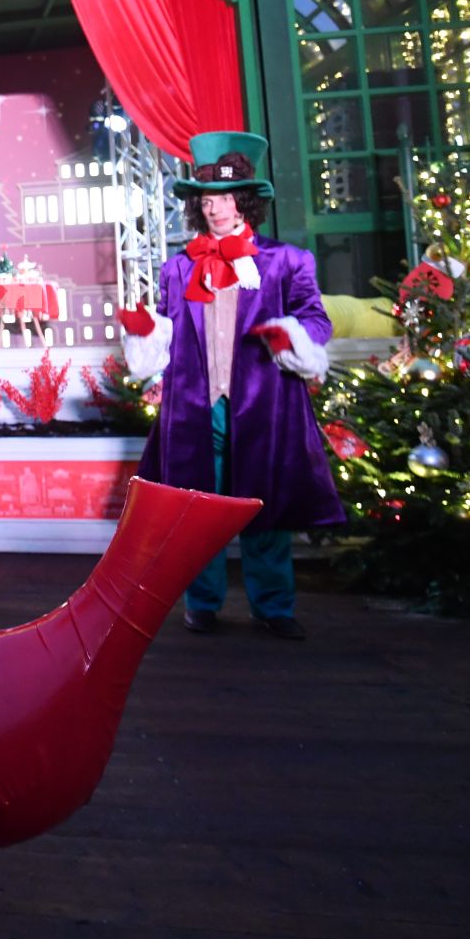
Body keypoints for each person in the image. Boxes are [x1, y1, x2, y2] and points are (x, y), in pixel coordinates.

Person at [117, 132, 343, 639]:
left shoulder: (287, 261)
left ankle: (274, 606)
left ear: (245, 201)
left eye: (222, 197)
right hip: (194, 407)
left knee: (265, 508)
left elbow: (316, 321)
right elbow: (170, 327)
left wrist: (289, 336)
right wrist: (148, 330)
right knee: (196, 514)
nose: (213, 207)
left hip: (264, 405)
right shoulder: (179, 267)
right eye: (205, 198)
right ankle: (202, 603)